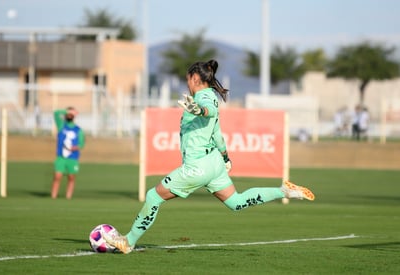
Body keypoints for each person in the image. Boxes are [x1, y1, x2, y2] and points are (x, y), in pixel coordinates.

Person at [102, 60, 315, 254]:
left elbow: (209, 111)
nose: (187, 84)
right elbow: (218, 135)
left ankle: (128, 242)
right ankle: (284, 191)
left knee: (153, 197)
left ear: (195, 78)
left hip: (198, 166)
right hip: (213, 162)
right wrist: (225, 157)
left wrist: (199, 109)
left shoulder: (204, 97)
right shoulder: (206, 98)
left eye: (188, 80)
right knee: (236, 202)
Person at [51, 107, 85, 199]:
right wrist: (67, 111)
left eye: (71, 114)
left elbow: (81, 144)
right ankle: (53, 197)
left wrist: (72, 148)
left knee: (71, 177)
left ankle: (68, 197)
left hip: (73, 157)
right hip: (61, 157)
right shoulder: (61, 125)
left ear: (74, 116)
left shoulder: (78, 130)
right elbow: (56, 113)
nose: (69, 115)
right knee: (57, 176)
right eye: (68, 113)